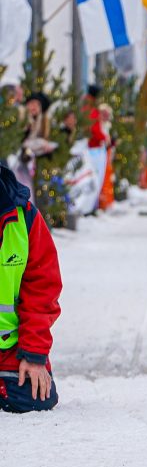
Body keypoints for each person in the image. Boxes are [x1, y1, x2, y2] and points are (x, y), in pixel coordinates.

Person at [0, 162, 62, 412]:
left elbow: (43, 291)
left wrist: (34, 354)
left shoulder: (24, 217)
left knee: (36, 397)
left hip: (9, 346)